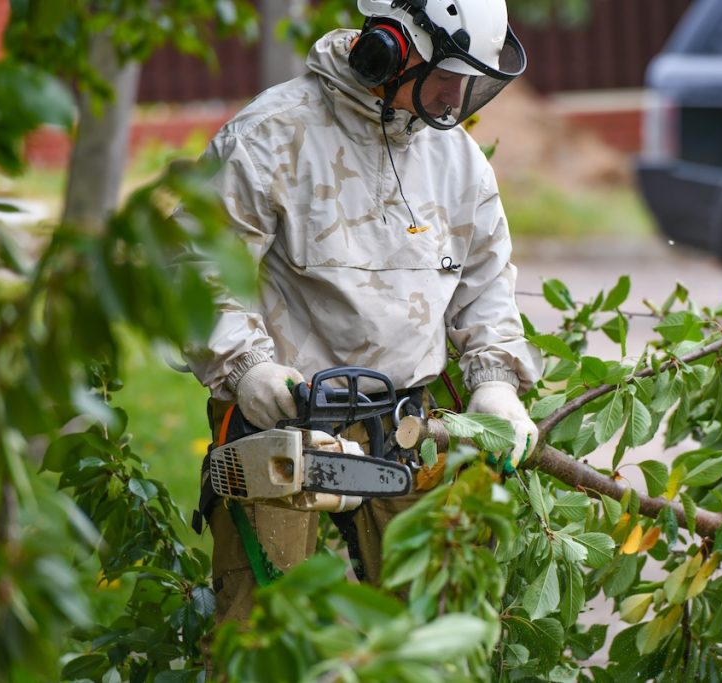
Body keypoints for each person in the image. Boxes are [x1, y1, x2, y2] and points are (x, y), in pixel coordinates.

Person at [183, 0, 542, 626]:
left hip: (408, 428)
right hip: (284, 424)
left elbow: (484, 281)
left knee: (437, 630)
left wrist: (495, 385)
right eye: (447, 79)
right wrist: (246, 368)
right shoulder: (271, 135)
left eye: (468, 84)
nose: (455, 100)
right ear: (390, 50)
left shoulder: (455, 159)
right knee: (261, 639)